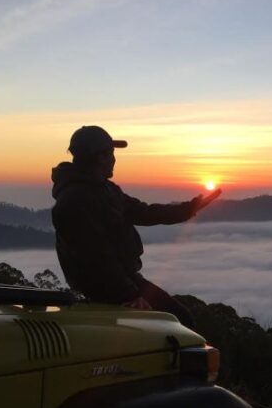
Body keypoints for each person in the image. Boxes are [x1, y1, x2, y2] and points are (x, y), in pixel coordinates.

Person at [51, 125, 220, 329]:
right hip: (107, 289)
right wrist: (129, 295)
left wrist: (190, 208)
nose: (114, 159)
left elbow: (145, 212)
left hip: (125, 281)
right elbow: (96, 258)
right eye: (111, 153)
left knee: (180, 320)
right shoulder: (74, 201)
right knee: (178, 324)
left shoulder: (104, 190)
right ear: (100, 157)